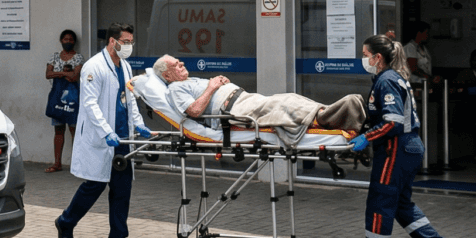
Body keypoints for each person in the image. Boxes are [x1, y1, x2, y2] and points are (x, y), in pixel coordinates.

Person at [348, 34, 455, 238]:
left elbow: (392, 122)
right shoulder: (392, 78)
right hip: (408, 148)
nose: (362, 59)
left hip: (395, 149)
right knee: (401, 205)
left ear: (377, 58)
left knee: (379, 204)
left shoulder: (386, 81)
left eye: (365, 55)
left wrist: (367, 138)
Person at [55, 23, 153, 238]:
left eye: (131, 42)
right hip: (102, 138)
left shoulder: (126, 67)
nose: (129, 46)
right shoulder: (93, 67)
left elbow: (130, 100)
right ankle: (66, 222)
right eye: (125, 42)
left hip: (123, 139)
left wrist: (139, 123)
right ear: (112, 42)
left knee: (122, 190)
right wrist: (106, 131)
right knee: (94, 185)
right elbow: (89, 104)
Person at [153, 55, 365, 145]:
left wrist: (221, 83)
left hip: (242, 100)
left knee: (288, 99)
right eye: (176, 66)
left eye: (181, 62)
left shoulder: (187, 81)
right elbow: (194, 111)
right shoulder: (175, 88)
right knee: (284, 104)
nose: (181, 65)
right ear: (167, 76)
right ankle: (331, 115)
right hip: (234, 110)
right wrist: (212, 87)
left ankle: (332, 113)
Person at [45, 29, 81, 173]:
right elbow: (48, 74)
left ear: (74, 42)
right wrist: (65, 73)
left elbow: (74, 77)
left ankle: (77, 164)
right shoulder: (54, 56)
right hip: (57, 97)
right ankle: (57, 163)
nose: (68, 42)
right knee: (58, 130)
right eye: (65, 39)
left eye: (70, 39)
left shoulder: (78, 58)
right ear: (61, 41)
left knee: (74, 131)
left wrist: (58, 73)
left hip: (72, 98)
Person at [403, 21, 439, 86]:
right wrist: (431, 78)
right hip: (415, 85)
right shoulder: (410, 48)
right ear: (419, 33)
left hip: (424, 84)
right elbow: (413, 68)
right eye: (426, 33)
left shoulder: (423, 48)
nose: (428, 36)